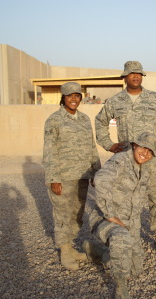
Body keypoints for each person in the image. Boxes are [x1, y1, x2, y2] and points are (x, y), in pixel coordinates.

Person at [95, 60, 156, 256]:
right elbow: (100, 122)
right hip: (126, 161)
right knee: (123, 200)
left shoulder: (154, 99)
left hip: (151, 160)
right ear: (125, 77)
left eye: (138, 74)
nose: (135, 76)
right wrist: (109, 144)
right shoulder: (115, 101)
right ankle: (125, 238)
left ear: (142, 76)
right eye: (131, 73)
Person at [84, 132, 156, 299]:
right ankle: (120, 288)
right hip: (106, 219)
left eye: (150, 151)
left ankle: (97, 252)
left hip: (130, 223)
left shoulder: (145, 168)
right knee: (121, 238)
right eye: (142, 148)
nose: (145, 153)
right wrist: (110, 214)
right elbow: (101, 180)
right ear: (134, 145)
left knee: (135, 269)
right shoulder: (120, 160)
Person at [43, 82, 101, 270]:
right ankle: (65, 250)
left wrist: (95, 171)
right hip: (63, 176)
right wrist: (54, 178)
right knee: (62, 214)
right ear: (63, 98)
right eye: (70, 96)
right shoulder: (54, 120)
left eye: (77, 95)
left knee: (77, 213)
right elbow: (49, 151)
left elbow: (92, 147)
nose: (74, 99)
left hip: (82, 175)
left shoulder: (84, 119)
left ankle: (70, 245)